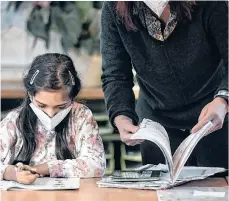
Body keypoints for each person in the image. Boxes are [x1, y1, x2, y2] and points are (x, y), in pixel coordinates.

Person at [100, 1, 228, 169]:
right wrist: (121, 116)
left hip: (213, 116)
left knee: (219, 189)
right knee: (164, 191)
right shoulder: (114, 9)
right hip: (157, 123)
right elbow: (115, 74)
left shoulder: (210, 4)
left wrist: (223, 100)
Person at [0, 53, 106, 184]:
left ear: (73, 96)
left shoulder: (81, 116)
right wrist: (13, 174)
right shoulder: (15, 121)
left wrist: (45, 168)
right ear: (30, 94)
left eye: (61, 107)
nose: (50, 114)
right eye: (41, 105)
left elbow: (96, 164)